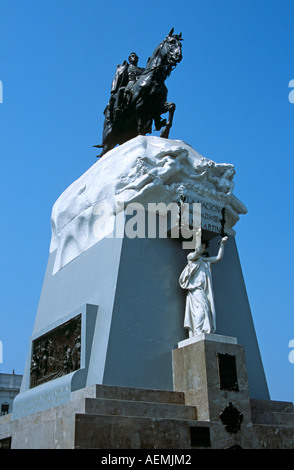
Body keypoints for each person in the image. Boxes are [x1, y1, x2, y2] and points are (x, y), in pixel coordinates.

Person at [179, 236, 228, 336]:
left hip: (203, 290)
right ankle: (198, 332)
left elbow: (218, 258)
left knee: (206, 309)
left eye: (205, 248)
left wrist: (222, 244)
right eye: (202, 246)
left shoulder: (205, 260)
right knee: (202, 309)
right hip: (195, 289)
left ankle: (201, 331)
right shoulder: (191, 257)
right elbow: (197, 252)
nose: (203, 249)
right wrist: (197, 236)